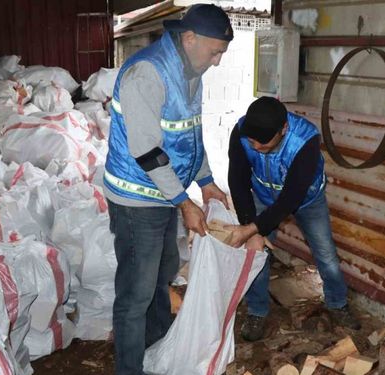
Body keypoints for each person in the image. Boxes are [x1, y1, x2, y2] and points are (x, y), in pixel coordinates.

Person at [103, 4, 232, 374]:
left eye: (222, 53)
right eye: (215, 51)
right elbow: (145, 148)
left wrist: (206, 181)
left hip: (162, 194)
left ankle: (158, 349)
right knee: (136, 294)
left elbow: (190, 133)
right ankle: (130, 368)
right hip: (136, 198)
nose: (218, 61)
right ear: (189, 38)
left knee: (163, 274)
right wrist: (183, 201)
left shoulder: (193, 70)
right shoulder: (147, 73)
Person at [226, 96, 361, 342]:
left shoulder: (305, 141)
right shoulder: (241, 132)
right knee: (256, 253)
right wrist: (251, 229)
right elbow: (237, 180)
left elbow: (290, 199)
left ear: (283, 130)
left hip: (306, 200)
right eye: (252, 140)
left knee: (326, 254)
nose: (255, 147)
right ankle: (257, 310)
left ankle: (337, 303)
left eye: (263, 142)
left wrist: (255, 229)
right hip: (262, 195)